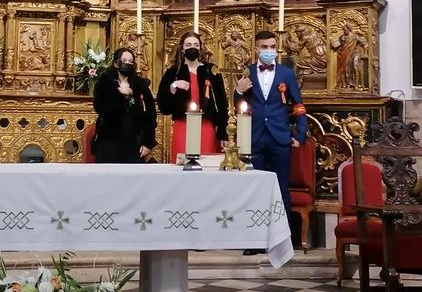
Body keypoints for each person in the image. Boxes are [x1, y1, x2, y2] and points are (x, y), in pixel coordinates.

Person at [233, 30, 308, 247]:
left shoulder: (286, 73)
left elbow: (299, 105)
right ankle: (254, 241)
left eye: (272, 47)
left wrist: (300, 135)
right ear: (256, 49)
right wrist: (238, 91)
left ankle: (282, 240)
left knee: (281, 188)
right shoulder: (247, 72)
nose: (269, 51)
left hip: (279, 137)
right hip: (254, 137)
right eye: (264, 47)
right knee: (253, 189)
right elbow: (239, 106)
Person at [157, 33, 228, 163]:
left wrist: (223, 132)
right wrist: (173, 86)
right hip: (183, 125)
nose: (192, 48)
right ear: (182, 48)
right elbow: (163, 104)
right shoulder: (173, 72)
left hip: (205, 126)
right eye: (188, 45)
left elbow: (222, 103)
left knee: (207, 164)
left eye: (196, 45)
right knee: (183, 165)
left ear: (200, 48)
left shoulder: (211, 71)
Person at [92, 48, 158, 163]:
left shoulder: (140, 84)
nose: (127, 63)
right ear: (116, 63)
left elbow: (151, 115)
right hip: (109, 140)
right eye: (124, 60)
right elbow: (99, 106)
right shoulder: (105, 80)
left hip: (134, 141)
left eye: (130, 61)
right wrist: (119, 94)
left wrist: (147, 142)